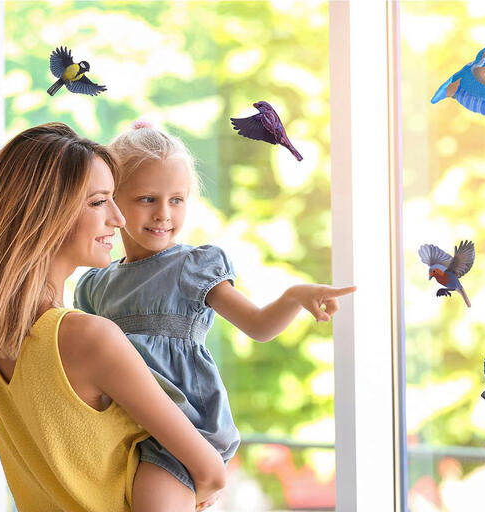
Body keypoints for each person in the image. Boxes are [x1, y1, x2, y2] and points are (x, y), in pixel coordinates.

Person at [0, 122, 226, 512]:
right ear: (44, 215)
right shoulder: (88, 338)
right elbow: (211, 472)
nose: (118, 219)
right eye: (98, 202)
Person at [74, 120, 356, 511]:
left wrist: (293, 297)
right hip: (114, 433)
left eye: (177, 199)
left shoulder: (193, 267)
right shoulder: (95, 284)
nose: (163, 214)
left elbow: (258, 326)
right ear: (113, 200)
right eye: (146, 199)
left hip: (177, 436)